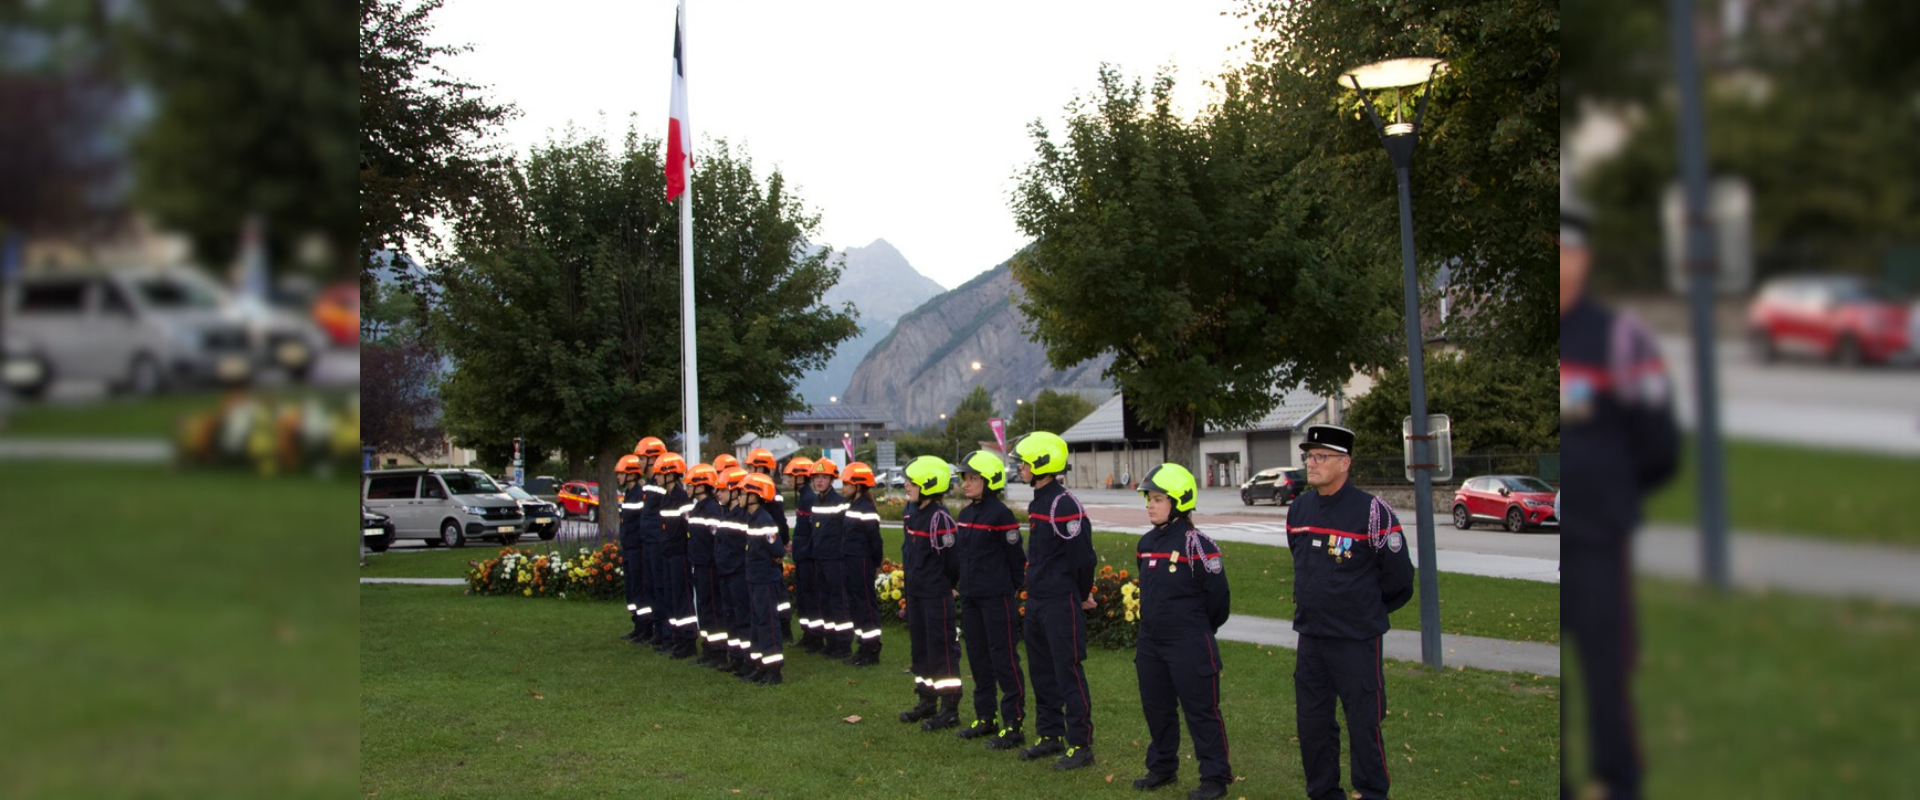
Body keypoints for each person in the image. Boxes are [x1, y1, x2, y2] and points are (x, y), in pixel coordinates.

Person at [1561, 195, 1678, 800]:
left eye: (1569, 252)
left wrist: (1613, 495)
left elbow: (1659, 445)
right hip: (1558, 535)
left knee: (1605, 673)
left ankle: (1617, 781)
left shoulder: (1619, 337)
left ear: (1586, 260)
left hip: (1600, 539)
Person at [1286, 424, 1415, 800]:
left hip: (1355, 640)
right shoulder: (1300, 508)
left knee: (1363, 723)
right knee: (1312, 724)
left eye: (1321, 456)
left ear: (1345, 463)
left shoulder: (1373, 513)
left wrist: (1363, 609)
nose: (1312, 463)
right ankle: (1323, 791)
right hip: (1312, 637)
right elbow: (1300, 561)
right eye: (1309, 456)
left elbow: (1399, 580)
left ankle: (1372, 792)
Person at [1130, 463, 1233, 800]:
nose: (1150, 504)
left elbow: (1218, 599)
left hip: (1189, 641)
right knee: (1156, 708)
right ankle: (1162, 767)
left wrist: (1199, 630)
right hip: (1151, 643)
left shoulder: (1198, 544)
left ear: (1179, 501)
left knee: (1202, 711)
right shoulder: (1145, 543)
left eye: (1158, 498)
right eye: (1149, 498)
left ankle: (1215, 777)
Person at [1010, 431, 1097, 771]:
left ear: (1042, 464)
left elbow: (1083, 558)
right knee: (1042, 671)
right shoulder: (1039, 500)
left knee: (1068, 672)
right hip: (1037, 602)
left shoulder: (1064, 504)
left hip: (1060, 602)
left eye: (1025, 463)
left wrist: (1080, 593)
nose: (1020, 468)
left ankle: (1080, 744)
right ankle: (1049, 736)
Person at [952, 450, 1028, 749]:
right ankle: (985, 718)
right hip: (971, 599)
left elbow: (1015, 559)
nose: (966, 484)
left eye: (973, 479)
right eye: (965, 478)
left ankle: (1013, 725)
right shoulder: (967, 514)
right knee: (979, 660)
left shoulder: (1001, 515)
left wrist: (1006, 589)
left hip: (996, 599)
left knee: (1004, 660)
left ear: (990, 481)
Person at [897, 455, 962, 731]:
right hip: (916, 594)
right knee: (921, 650)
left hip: (935, 596)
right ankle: (926, 701)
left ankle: (949, 709)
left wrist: (950, 586)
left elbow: (952, 561)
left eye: (911, 482)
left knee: (942, 652)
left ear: (928, 484)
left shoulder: (940, 519)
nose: (906, 486)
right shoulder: (912, 512)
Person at [739, 472, 788, 685]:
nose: (738, 496)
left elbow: (777, 550)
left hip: (765, 579)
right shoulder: (753, 518)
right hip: (755, 578)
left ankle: (773, 669)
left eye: (742, 493)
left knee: (768, 622)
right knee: (758, 622)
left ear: (754, 496)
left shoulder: (764, 520)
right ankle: (761, 664)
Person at [838, 462, 886, 667]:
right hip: (851, 562)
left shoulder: (866, 509)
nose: (843, 488)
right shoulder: (854, 506)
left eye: (846, 484)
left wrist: (876, 564)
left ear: (858, 486)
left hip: (862, 563)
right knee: (857, 606)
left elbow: (876, 541)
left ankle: (872, 649)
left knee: (865, 605)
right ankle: (863, 646)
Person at [746, 448, 794, 642]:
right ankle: (782, 625)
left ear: (759, 467)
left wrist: (781, 544)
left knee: (776, 590)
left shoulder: (766, 490)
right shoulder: (763, 487)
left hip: (769, 545)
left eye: (750, 467)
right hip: (768, 544)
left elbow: (779, 521)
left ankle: (783, 626)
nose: (748, 470)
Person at [653, 452, 697, 659]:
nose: (656, 477)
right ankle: (676, 638)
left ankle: (687, 640)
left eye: (660, 474)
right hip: (668, 555)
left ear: (671, 475)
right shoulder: (666, 498)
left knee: (682, 598)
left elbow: (687, 528)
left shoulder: (682, 498)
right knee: (672, 597)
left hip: (680, 555)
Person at [684, 463, 728, 667]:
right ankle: (708, 648)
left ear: (701, 486)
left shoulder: (711, 509)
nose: (688, 488)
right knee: (703, 607)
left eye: (690, 484)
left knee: (712, 608)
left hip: (710, 566)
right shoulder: (697, 508)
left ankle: (717, 651)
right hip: (699, 564)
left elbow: (717, 540)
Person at [809, 458, 853, 659]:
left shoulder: (839, 503)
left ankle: (843, 644)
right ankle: (831, 640)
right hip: (820, 559)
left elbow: (846, 533)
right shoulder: (816, 502)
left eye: (824, 477)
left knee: (838, 602)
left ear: (832, 479)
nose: (819, 481)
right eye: (816, 477)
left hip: (835, 560)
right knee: (824, 601)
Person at [713, 467, 754, 676]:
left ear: (736, 492)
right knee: (730, 617)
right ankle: (735, 656)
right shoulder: (725, 514)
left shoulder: (743, 517)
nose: (717, 494)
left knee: (743, 617)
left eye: (722, 490)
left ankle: (748, 659)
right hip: (726, 573)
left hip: (738, 574)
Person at [633, 436, 672, 648]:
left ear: (653, 459)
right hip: (648, 544)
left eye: (642, 458)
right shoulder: (648, 484)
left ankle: (666, 634)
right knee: (651, 589)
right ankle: (658, 632)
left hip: (658, 545)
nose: (638, 462)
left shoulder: (660, 484)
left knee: (660, 588)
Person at [784, 456, 824, 653]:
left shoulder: (809, 499)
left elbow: (812, 531)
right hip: (802, 555)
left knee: (809, 597)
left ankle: (815, 637)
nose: (788, 480)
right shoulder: (805, 497)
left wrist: (802, 547)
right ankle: (808, 634)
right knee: (804, 597)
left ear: (801, 477)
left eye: (791, 476)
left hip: (808, 557)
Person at [615, 452, 651, 644]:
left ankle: (645, 627)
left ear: (631, 474)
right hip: (629, 549)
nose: (618, 477)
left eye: (621, 473)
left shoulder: (639, 494)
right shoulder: (628, 495)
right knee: (631, 589)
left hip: (638, 549)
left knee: (639, 589)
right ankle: (637, 625)